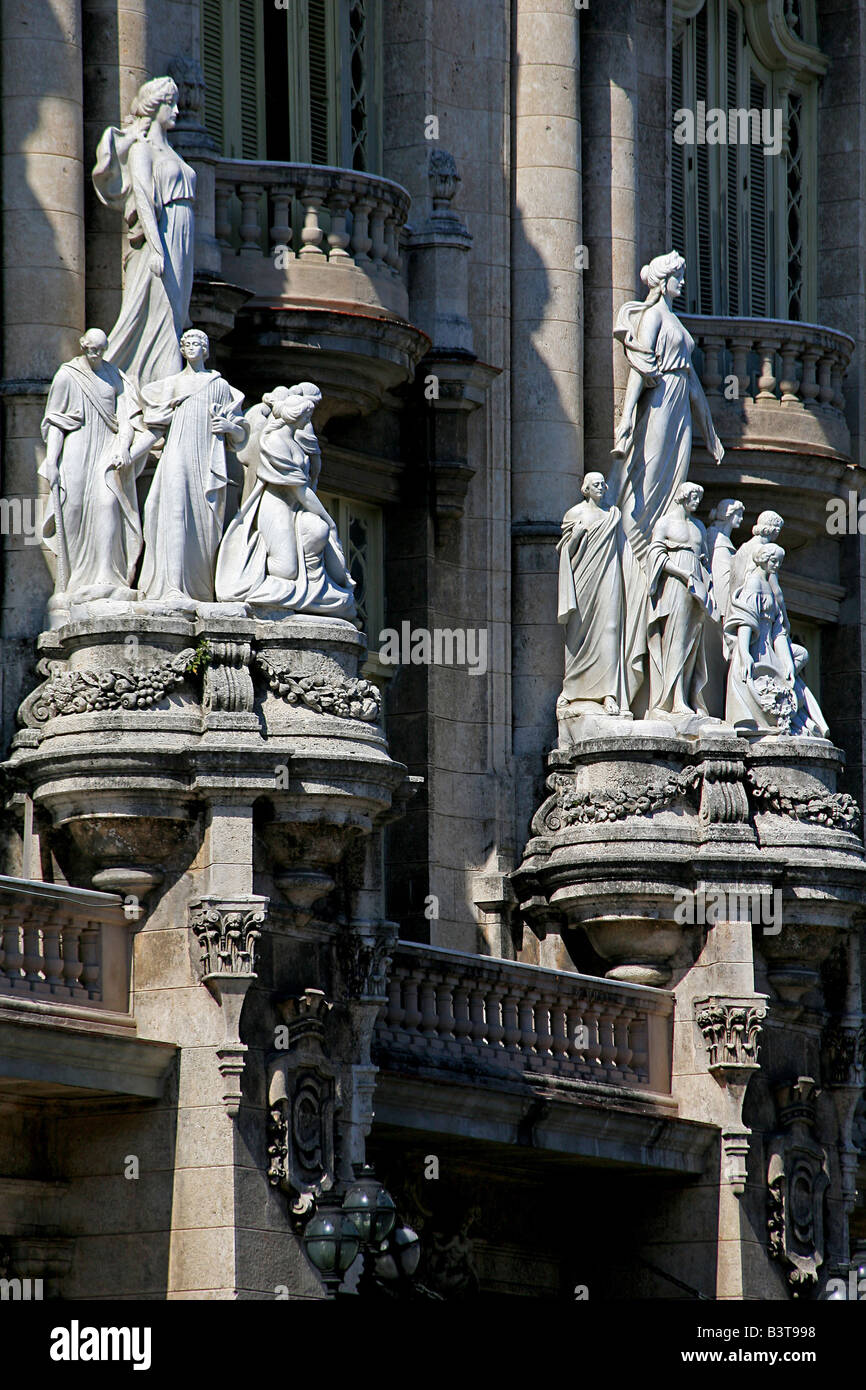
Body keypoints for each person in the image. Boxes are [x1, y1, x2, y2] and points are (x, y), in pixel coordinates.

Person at [607, 251, 725, 563]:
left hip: (680, 405)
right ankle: (634, 558)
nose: (683, 282)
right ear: (663, 281)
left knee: (675, 479)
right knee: (650, 475)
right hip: (660, 399)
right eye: (678, 276)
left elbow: (695, 386)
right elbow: (640, 367)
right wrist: (627, 416)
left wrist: (710, 436)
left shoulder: (673, 320)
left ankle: (658, 553)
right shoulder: (653, 316)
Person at [215, 386, 356, 618]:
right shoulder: (275, 442)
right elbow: (301, 491)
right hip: (277, 504)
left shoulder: (295, 440)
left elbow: (310, 481)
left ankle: (315, 588)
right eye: (307, 417)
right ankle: (262, 582)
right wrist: (329, 519)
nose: (310, 421)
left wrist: (324, 523)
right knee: (285, 569)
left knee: (321, 536)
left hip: (298, 506)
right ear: (296, 417)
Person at [93, 75, 196, 385]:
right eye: (170, 104)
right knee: (158, 309)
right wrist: (155, 248)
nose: (176, 110)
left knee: (176, 313)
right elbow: (144, 199)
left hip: (181, 236)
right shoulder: (142, 150)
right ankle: (156, 386)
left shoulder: (172, 153)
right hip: (161, 239)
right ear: (154, 107)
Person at [39, 328, 154, 603]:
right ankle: (74, 581)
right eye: (91, 348)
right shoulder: (67, 375)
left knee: (108, 503)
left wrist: (124, 446)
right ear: (83, 345)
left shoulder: (115, 375)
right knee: (74, 507)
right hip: (77, 447)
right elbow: (56, 422)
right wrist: (52, 462)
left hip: (107, 446)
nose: (96, 354)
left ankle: (107, 574)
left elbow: (127, 419)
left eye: (100, 349)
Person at [139, 329, 248, 606]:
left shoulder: (219, 386)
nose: (191, 347)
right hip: (176, 453)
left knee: (205, 521)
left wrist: (230, 427)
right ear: (181, 348)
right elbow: (152, 418)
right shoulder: (171, 385)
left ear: (206, 350)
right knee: (173, 511)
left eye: (198, 343)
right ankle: (172, 586)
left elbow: (241, 436)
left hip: (207, 459)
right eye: (186, 343)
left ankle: (199, 589)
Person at [556, 472, 646, 716]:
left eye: (603, 484)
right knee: (578, 632)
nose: (601, 488)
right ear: (585, 489)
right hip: (583, 578)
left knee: (610, 629)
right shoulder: (574, 514)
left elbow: (623, 549)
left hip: (610, 575)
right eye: (595, 485)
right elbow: (564, 552)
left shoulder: (612, 515)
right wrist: (575, 536)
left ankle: (609, 693)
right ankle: (572, 690)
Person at [725, 544, 829, 738]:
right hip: (755, 647)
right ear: (762, 559)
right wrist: (745, 652)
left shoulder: (770, 588)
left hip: (769, 648)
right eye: (773, 561)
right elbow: (746, 622)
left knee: (796, 665)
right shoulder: (754, 584)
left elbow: (779, 631)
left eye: (779, 562)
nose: (777, 566)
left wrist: (788, 663)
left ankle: (804, 721)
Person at [646, 482, 717, 720]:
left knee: (693, 642)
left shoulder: (698, 526)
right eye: (694, 497)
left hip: (697, 585)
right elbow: (655, 555)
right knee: (676, 638)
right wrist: (682, 573)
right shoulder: (665, 522)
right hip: (676, 584)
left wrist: (706, 582)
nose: (698, 501)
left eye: (699, 497)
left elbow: (704, 559)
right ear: (683, 496)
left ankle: (686, 696)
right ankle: (672, 698)